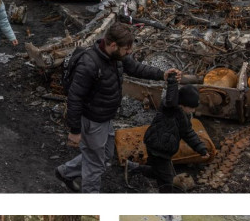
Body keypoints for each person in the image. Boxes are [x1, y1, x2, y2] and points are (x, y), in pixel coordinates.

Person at [56, 22, 177, 193]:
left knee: (105, 156)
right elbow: (75, 98)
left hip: (105, 118)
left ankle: (66, 172)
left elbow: (136, 68)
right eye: (126, 49)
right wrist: (75, 131)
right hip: (92, 121)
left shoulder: (117, 58)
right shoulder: (89, 64)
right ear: (113, 45)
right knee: (95, 165)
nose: (129, 52)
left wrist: (162, 75)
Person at [127, 76, 209, 191]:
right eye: (191, 108)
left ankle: (133, 168)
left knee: (157, 172)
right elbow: (171, 99)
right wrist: (172, 81)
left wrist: (201, 148)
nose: (193, 111)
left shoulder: (184, 116)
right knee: (167, 182)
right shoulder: (170, 108)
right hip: (158, 148)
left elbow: (188, 133)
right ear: (182, 104)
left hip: (164, 149)